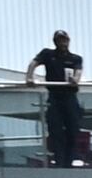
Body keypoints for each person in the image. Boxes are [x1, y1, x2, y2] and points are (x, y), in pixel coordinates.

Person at [29, 29, 86, 164]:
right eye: (60, 40)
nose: (62, 42)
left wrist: (75, 80)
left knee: (73, 129)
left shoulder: (75, 58)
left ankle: (70, 160)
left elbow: (78, 71)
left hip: (70, 97)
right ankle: (59, 161)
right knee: (55, 130)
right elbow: (33, 63)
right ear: (55, 41)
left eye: (64, 39)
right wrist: (29, 77)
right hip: (54, 97)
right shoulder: (48, 54)